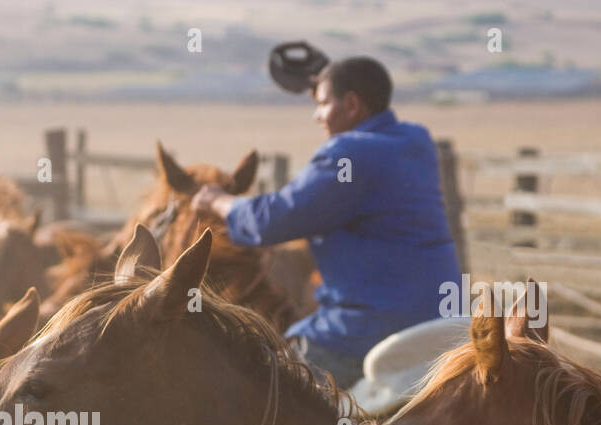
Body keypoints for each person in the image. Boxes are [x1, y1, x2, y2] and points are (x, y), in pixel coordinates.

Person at [192, 56, 462, 389]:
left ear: (351, 104)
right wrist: (329, 80)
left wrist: (218, 202)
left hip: (371, 327)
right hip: (440, 319)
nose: (316, 115)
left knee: (258, 386)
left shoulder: (347, 154)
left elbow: (276, 219)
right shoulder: (415, 141)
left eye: (322, 104)